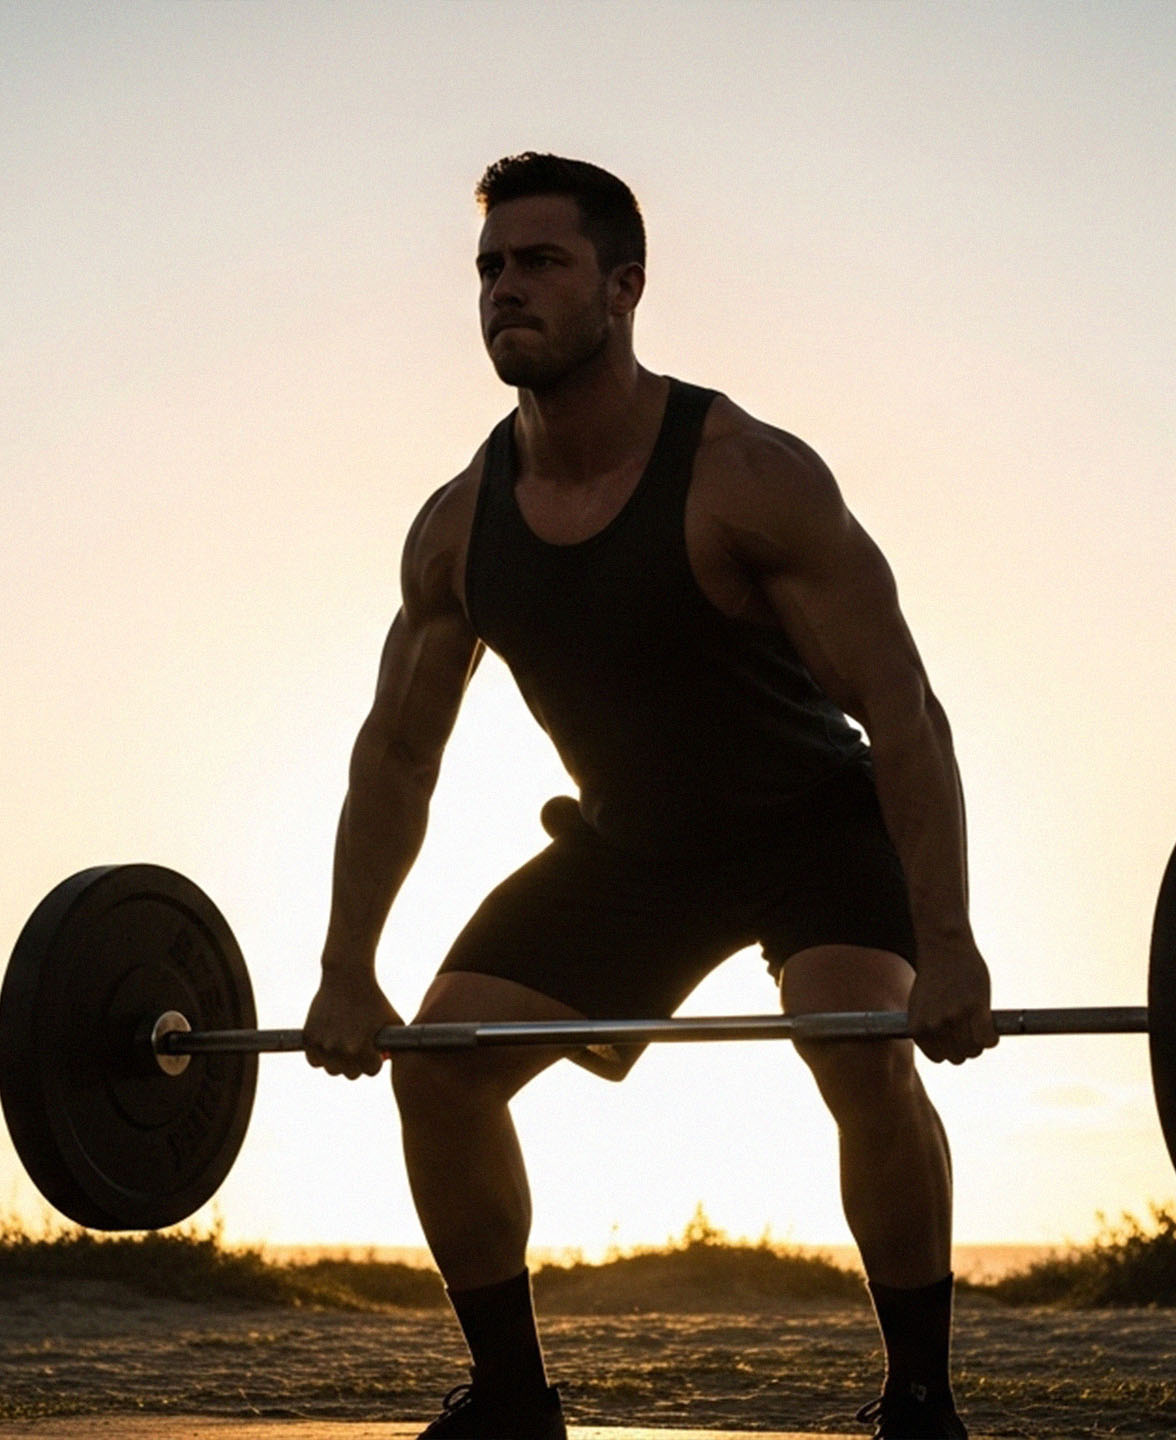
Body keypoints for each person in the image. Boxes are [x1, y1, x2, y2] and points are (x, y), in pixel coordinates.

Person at [301, 152, 995, 1440]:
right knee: (439, 1074)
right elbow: (395, 758)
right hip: (636, 848)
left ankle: (917, 1399)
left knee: (857, 1045)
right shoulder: (459, 528)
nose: (507, 289)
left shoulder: (748, 475)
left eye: (541, 262)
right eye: (489, 268)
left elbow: (900, 713)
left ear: (623, 287)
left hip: (815, 823)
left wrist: (948, 945)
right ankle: (512, 1399)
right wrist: (348, 967)